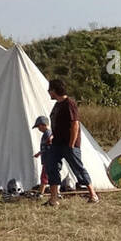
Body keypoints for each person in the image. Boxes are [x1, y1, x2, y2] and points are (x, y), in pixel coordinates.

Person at [44, 78, 99, 206]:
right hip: (57, 143)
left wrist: (72, 143)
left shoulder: (69, 103)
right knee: (51, 167)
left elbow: (75, 124)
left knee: (78, 168)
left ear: (54, 90)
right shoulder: (57, 105)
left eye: (50, 90)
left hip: (69, 144)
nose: (48, 92)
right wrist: (52, 136)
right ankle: (53, 199)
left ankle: (93, 195)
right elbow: (58, 124)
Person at [32, 115, 52, 196]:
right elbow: (45, 147)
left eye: (39, 126)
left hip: (48, 159)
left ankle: (41, 193)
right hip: (47, 158)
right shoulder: (46, 134)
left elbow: (49, 146)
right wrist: (39, 153)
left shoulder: (48, 134)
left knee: (44, 177)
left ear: (43, 124)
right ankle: (55, 192)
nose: (38, 129)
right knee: (48, 176)